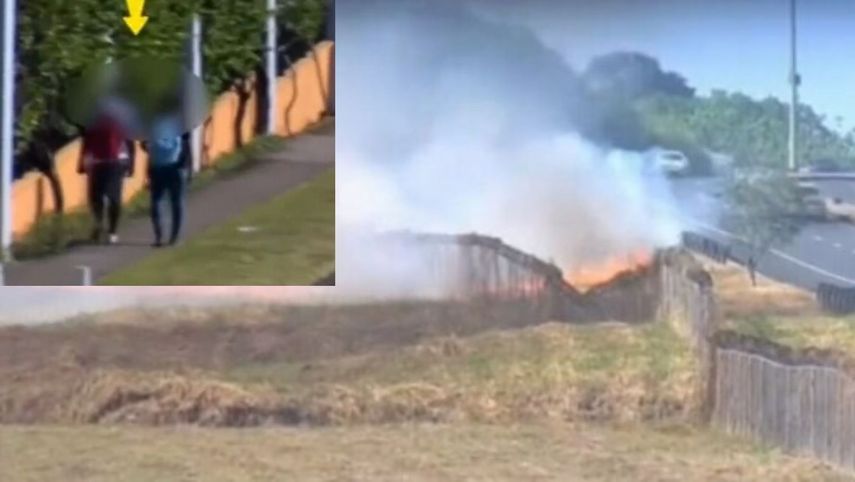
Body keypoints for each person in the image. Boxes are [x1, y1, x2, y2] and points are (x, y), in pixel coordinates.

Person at [77, 111, 135, 244]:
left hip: (116, 162)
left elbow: (129, 142)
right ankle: (98, 225)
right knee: (95, 197)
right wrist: (82, 163)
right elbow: (87, 141)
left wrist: (131, 165)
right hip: (97, 162)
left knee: (114, 198)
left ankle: (112, 231)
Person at [142, 115, 191, 247]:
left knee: (157, 202)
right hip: (174, 165)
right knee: (175, 202)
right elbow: (186, 143)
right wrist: (186, 164)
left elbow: (145, 145)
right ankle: (173, 237)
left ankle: (160, 236)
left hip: (159, 165)